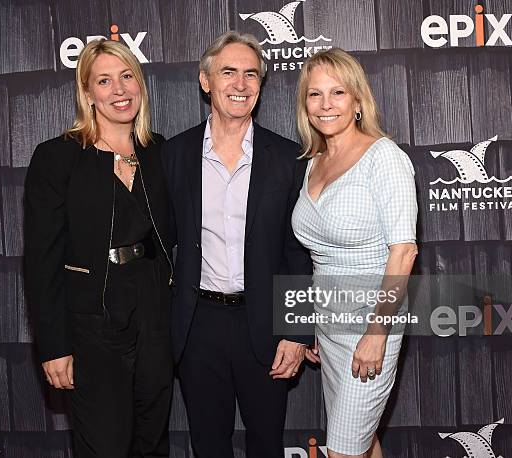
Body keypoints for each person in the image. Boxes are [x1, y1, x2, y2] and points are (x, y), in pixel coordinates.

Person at [161, 31, 312, 458]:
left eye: (251, 74)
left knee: (267, 443)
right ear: (206, 81)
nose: (240, 84)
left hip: (263, 322)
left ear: (261, 87)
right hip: (197, 325)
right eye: (228, 72)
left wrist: (297, 330)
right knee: (209, 445)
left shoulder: (288, 158)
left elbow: (298, 253)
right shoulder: (173, 156)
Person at [24, 39, 174, 458]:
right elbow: (41, 261)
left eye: (127, 77)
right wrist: (53, 347)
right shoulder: (58, 158)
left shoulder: (160, 152)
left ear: (140, 84)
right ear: (87, 93)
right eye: (104, 81)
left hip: (155, 316)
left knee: (152, 442)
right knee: (104, 446)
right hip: (92, 322)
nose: (119, 90)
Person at [291, 48, 418, 458]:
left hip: (371, 323)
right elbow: (319, 257)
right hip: (329, 325)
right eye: (315, 94)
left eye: (338, 93)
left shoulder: (384, 158)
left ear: (358, 101)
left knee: (343, 451)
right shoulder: (314, 163)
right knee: (362, 443)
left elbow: (403, 253)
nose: (325, 104)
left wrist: (378, 333)